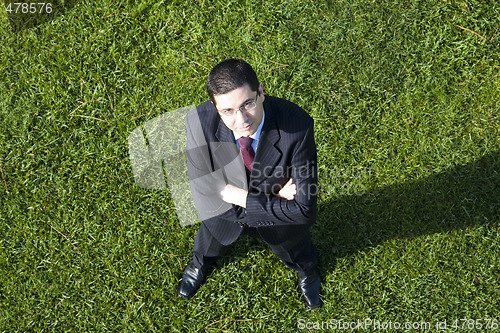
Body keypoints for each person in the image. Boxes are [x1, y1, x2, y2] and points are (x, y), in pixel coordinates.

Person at [178, 59, 322, 309]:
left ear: (261, 92)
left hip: (280, 225)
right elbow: (203, 198)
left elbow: (305, 211)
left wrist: (238, 196)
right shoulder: (198, 123)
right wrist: (276, 198)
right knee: (210, 240)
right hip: (228, 216)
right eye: (227, 111)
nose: (241, 119)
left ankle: (306, 270)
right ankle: (200, 263)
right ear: (215, 107)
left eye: (248, 104)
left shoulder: (297, 126)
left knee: (295, 247)